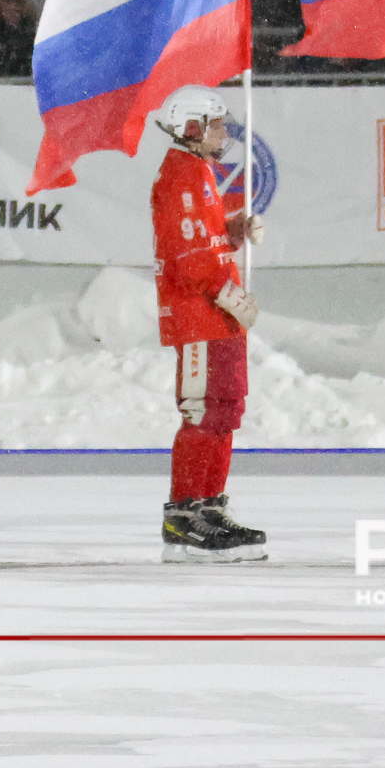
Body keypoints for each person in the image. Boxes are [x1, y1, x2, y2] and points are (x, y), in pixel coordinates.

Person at [144, 87, 267, 562]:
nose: (224, 132)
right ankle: (184, 512)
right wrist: (227, 293)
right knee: (201, 412)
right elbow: (187, 258)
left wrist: (232, 233)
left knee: (223, 411)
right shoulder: (181, 175)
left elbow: (204, 243)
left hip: (216, 315)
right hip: (200, 314)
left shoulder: (198, 172)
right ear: (191, 127)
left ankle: (209, 504)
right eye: (216, 124)